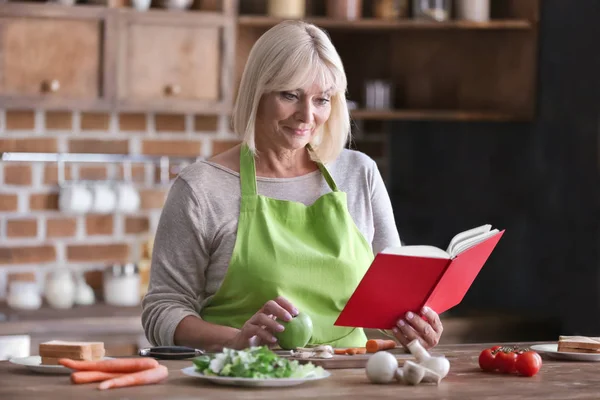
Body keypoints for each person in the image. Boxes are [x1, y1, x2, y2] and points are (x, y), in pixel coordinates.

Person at [141, 20, 443, 352]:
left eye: (322, 99)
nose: (307, 115)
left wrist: (414, 325)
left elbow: (395, 302)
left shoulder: (359, 174)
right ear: (258, 92)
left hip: (351, 380)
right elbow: (162, 310)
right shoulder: (201, 189)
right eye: (290, 95)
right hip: (247, 380)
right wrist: (239, 341)